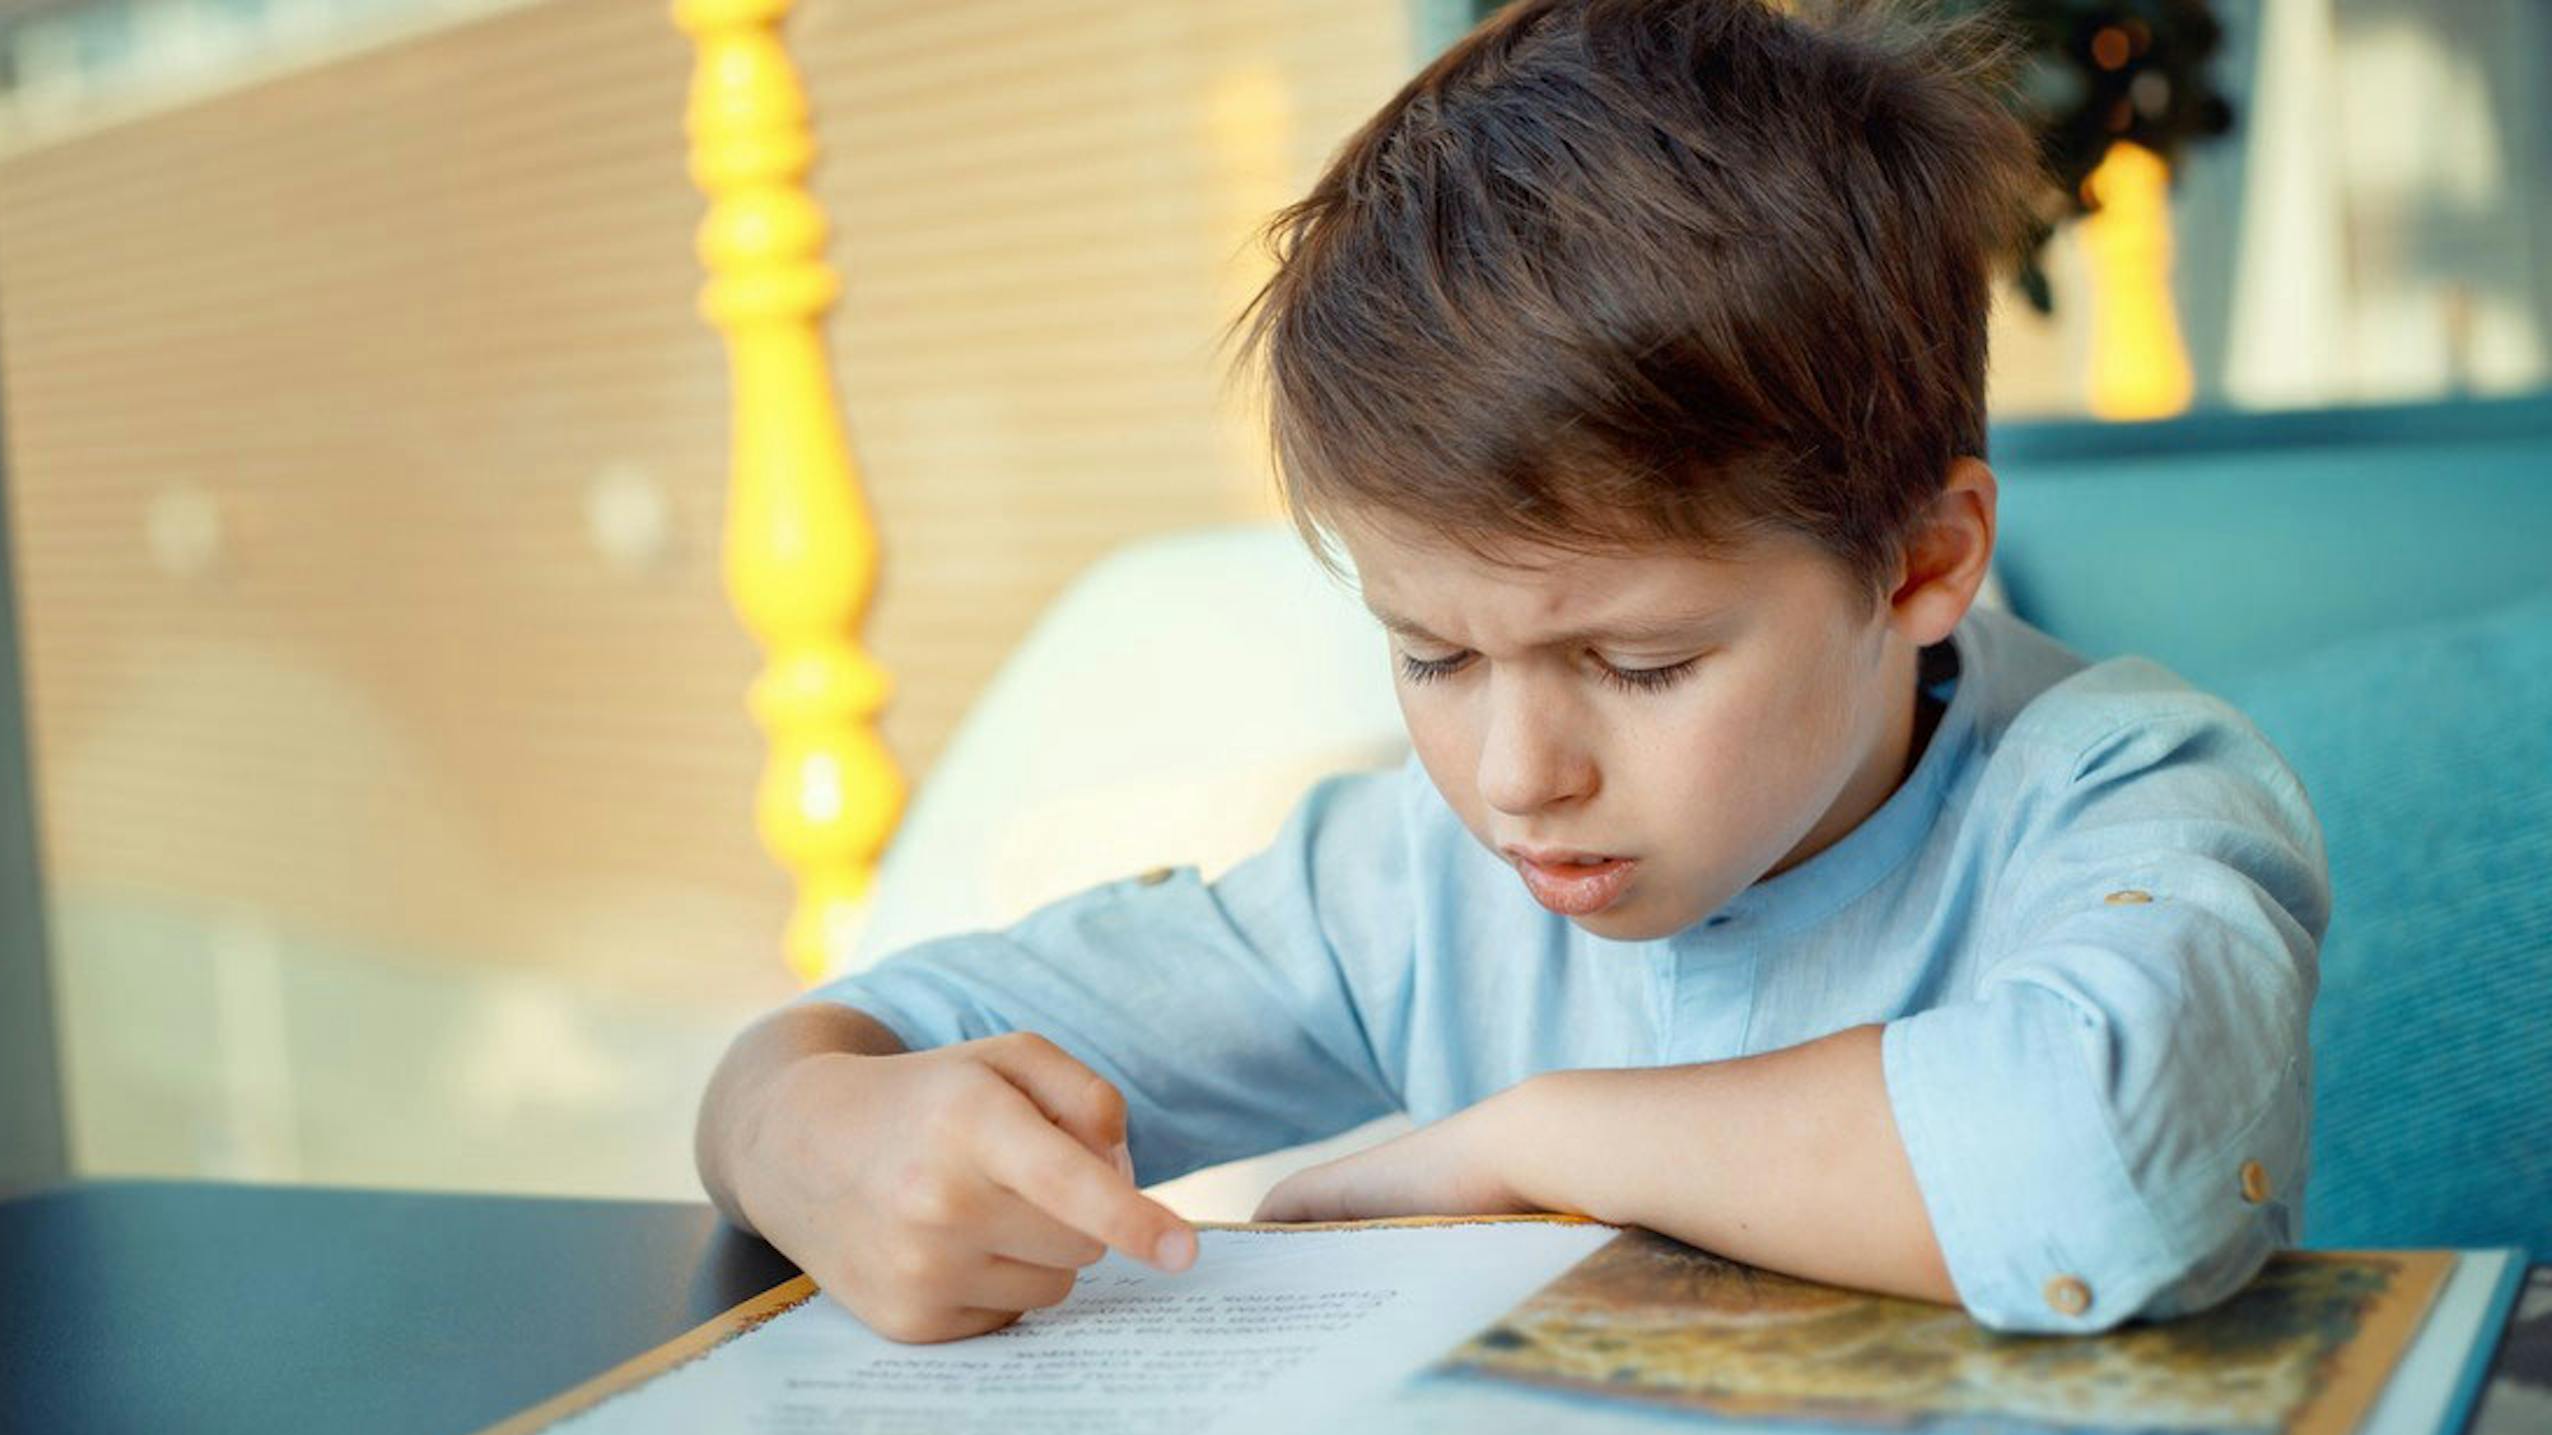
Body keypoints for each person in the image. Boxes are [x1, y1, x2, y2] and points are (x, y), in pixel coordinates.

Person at [692, 0, 2325, 1346]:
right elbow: (865, 1035)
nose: (1516, 775)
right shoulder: (1409, 888)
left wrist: (1536, 1141)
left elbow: (2118, 1152)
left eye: (1641, 661)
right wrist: (805, 1137)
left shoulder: (2128, 791)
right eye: (1434, 654)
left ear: (1918, 563)